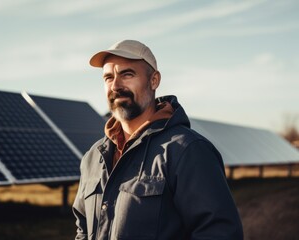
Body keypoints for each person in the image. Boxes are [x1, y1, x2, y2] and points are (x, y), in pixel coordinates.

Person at [72, 39, 243, 240]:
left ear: (154, 80)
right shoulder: (93, 157)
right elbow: (82, 229)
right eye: (108, 77)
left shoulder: (188, 151)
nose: (115, 85)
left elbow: (219, 234)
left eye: (127, 74)